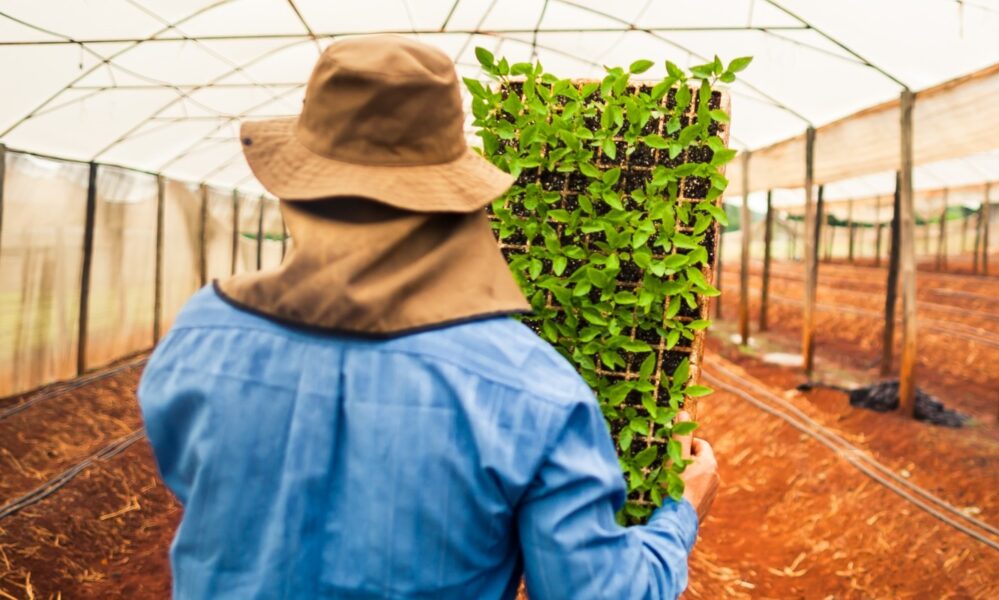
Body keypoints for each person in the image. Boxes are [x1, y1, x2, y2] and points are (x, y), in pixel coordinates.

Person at [138, 35, 719, 600]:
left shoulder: (203, 333)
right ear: (454, 203)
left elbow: (196, 480)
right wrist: (681, 513)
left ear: (292, 193)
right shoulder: (534, 391)